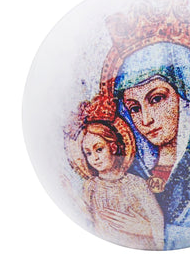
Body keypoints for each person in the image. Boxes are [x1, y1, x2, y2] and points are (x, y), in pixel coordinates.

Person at [103, 41, 190, 250]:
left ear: (187, 99)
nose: (146, 120)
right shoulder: (131, 173)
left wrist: (153, 231)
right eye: (135, 108)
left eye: (156, 99)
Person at [66, 95, 164, 250]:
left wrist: (143, 228)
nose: (95, 158)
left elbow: (157, 219)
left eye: (99, 149)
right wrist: (71, 194)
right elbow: (88, 218)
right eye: (88, 153)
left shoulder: (136, 184)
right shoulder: (91, 186)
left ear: (113, 147)